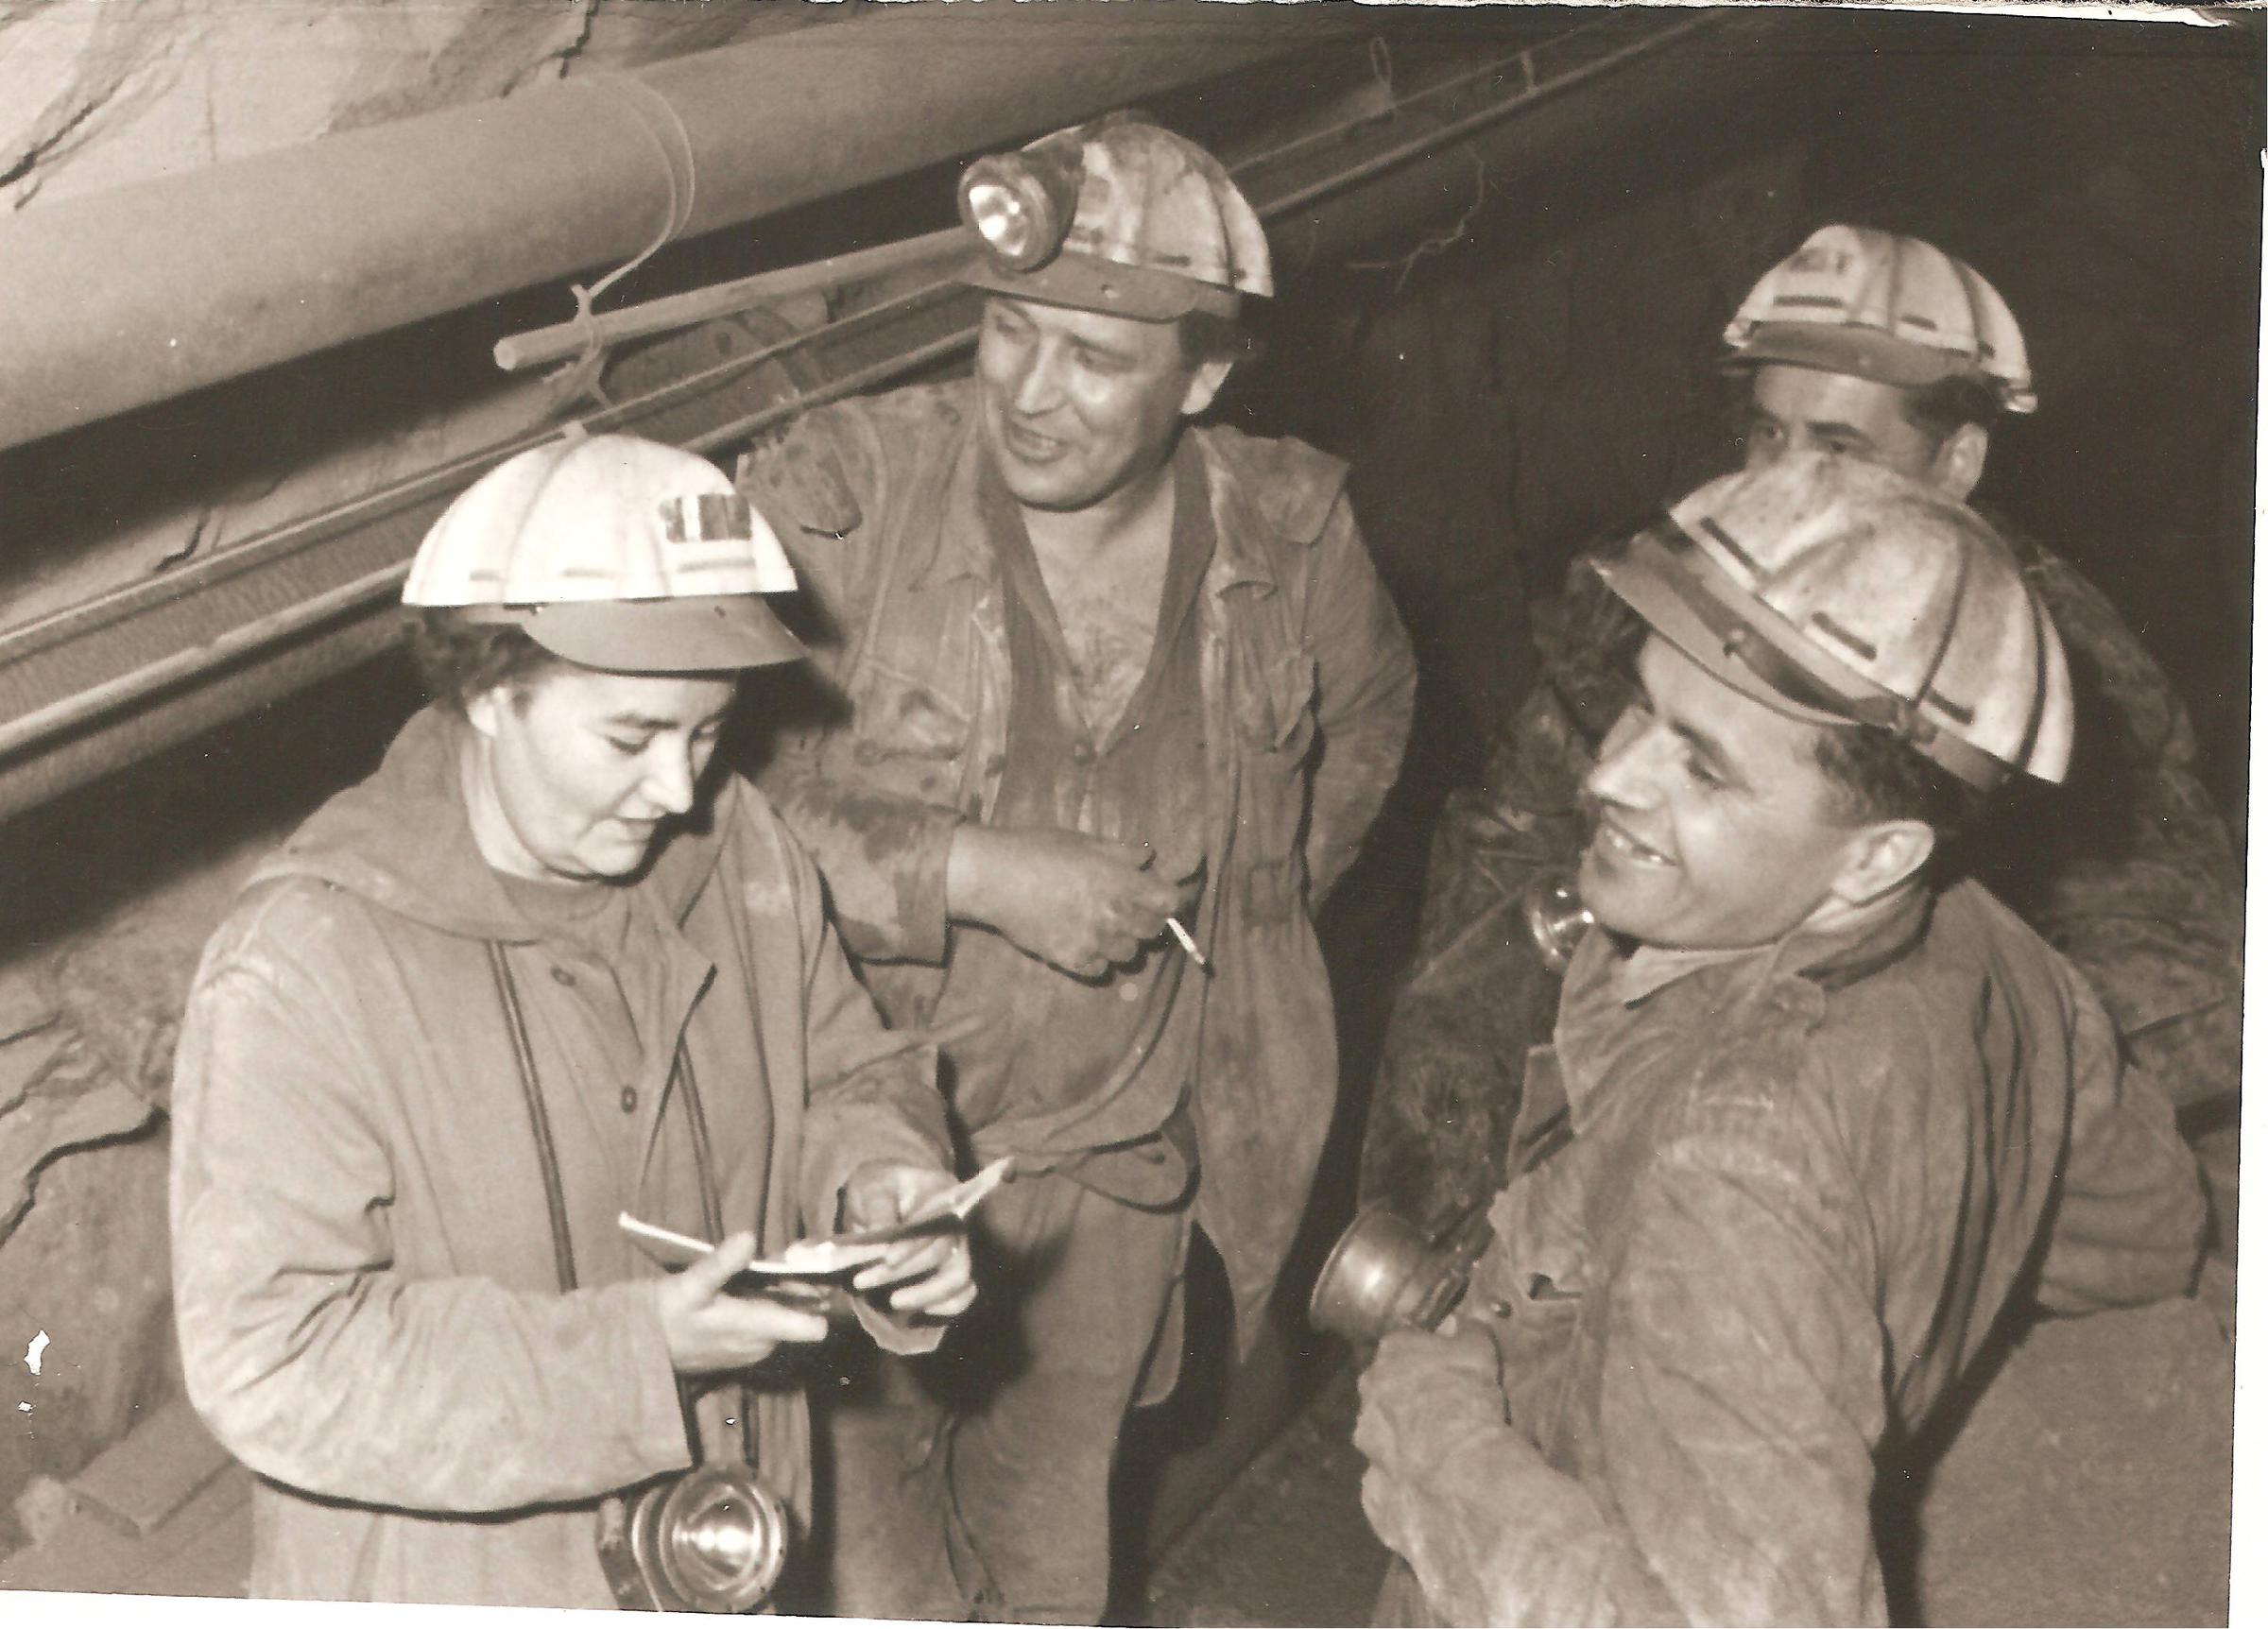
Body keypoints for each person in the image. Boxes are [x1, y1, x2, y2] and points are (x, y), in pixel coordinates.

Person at [734, 113, 1417, 1620]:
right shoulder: (851, 502)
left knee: (1052, 1559)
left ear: (1203, 378)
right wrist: (971, 871)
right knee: (869, 1575)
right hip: (856, 1165)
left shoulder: (1291, 539)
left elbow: (1365, 731)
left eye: (1096, 359)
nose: (1031, 394)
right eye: (1008, 331)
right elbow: (705, 816)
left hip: (1122, 1175)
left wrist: (1239, 926)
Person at [1353, 453, 2207, 1626]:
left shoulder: (1731, 1170)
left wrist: (1436, 1438)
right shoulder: (1997, 950)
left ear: (1876, 857)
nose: (1608, 773)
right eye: (1643, 707)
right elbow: (2144, 1229)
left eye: (1703, 767)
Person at [169, 432, 975, 1608]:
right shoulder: (306, 964)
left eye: (708, 731)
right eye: (630, 737)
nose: (678, 788)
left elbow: (848, 1066)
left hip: (726, 1554)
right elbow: (272, 1361)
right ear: (490, 692)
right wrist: (632, 1354)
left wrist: (883, 1187)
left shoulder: (739, 850)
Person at [1361, 224, 2243, 1244]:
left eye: (1839, 447)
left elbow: (2171, 1002)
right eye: (1768, 435)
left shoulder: (2035, 684)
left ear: (1958, 460)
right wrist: (1437, 1187)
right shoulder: (1691, 581)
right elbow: (1505, 857)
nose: (1787, 479)